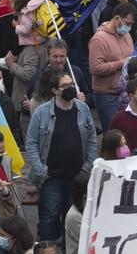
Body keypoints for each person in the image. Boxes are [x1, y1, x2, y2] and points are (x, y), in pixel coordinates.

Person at [26, 68, 96, 241]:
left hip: (77, 176)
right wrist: (41, 169)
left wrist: (88, 165)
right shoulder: (42, 113)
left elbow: (92, 138)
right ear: (55, 90)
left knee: (72, 217)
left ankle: (68, 253)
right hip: (52, 177)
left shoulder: (83, 109)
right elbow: (31, 143)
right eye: (64, 86)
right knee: (49, 217)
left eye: (71, 84)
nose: (70, 88)